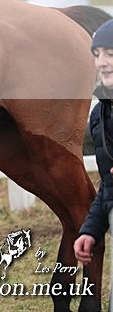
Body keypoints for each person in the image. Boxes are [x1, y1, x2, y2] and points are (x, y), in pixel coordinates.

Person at [74, 18, 113, 311]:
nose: (101, 62)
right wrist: (90, 230)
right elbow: (108, 185)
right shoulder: (100, 114)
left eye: (111, 53)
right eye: (97, 54)